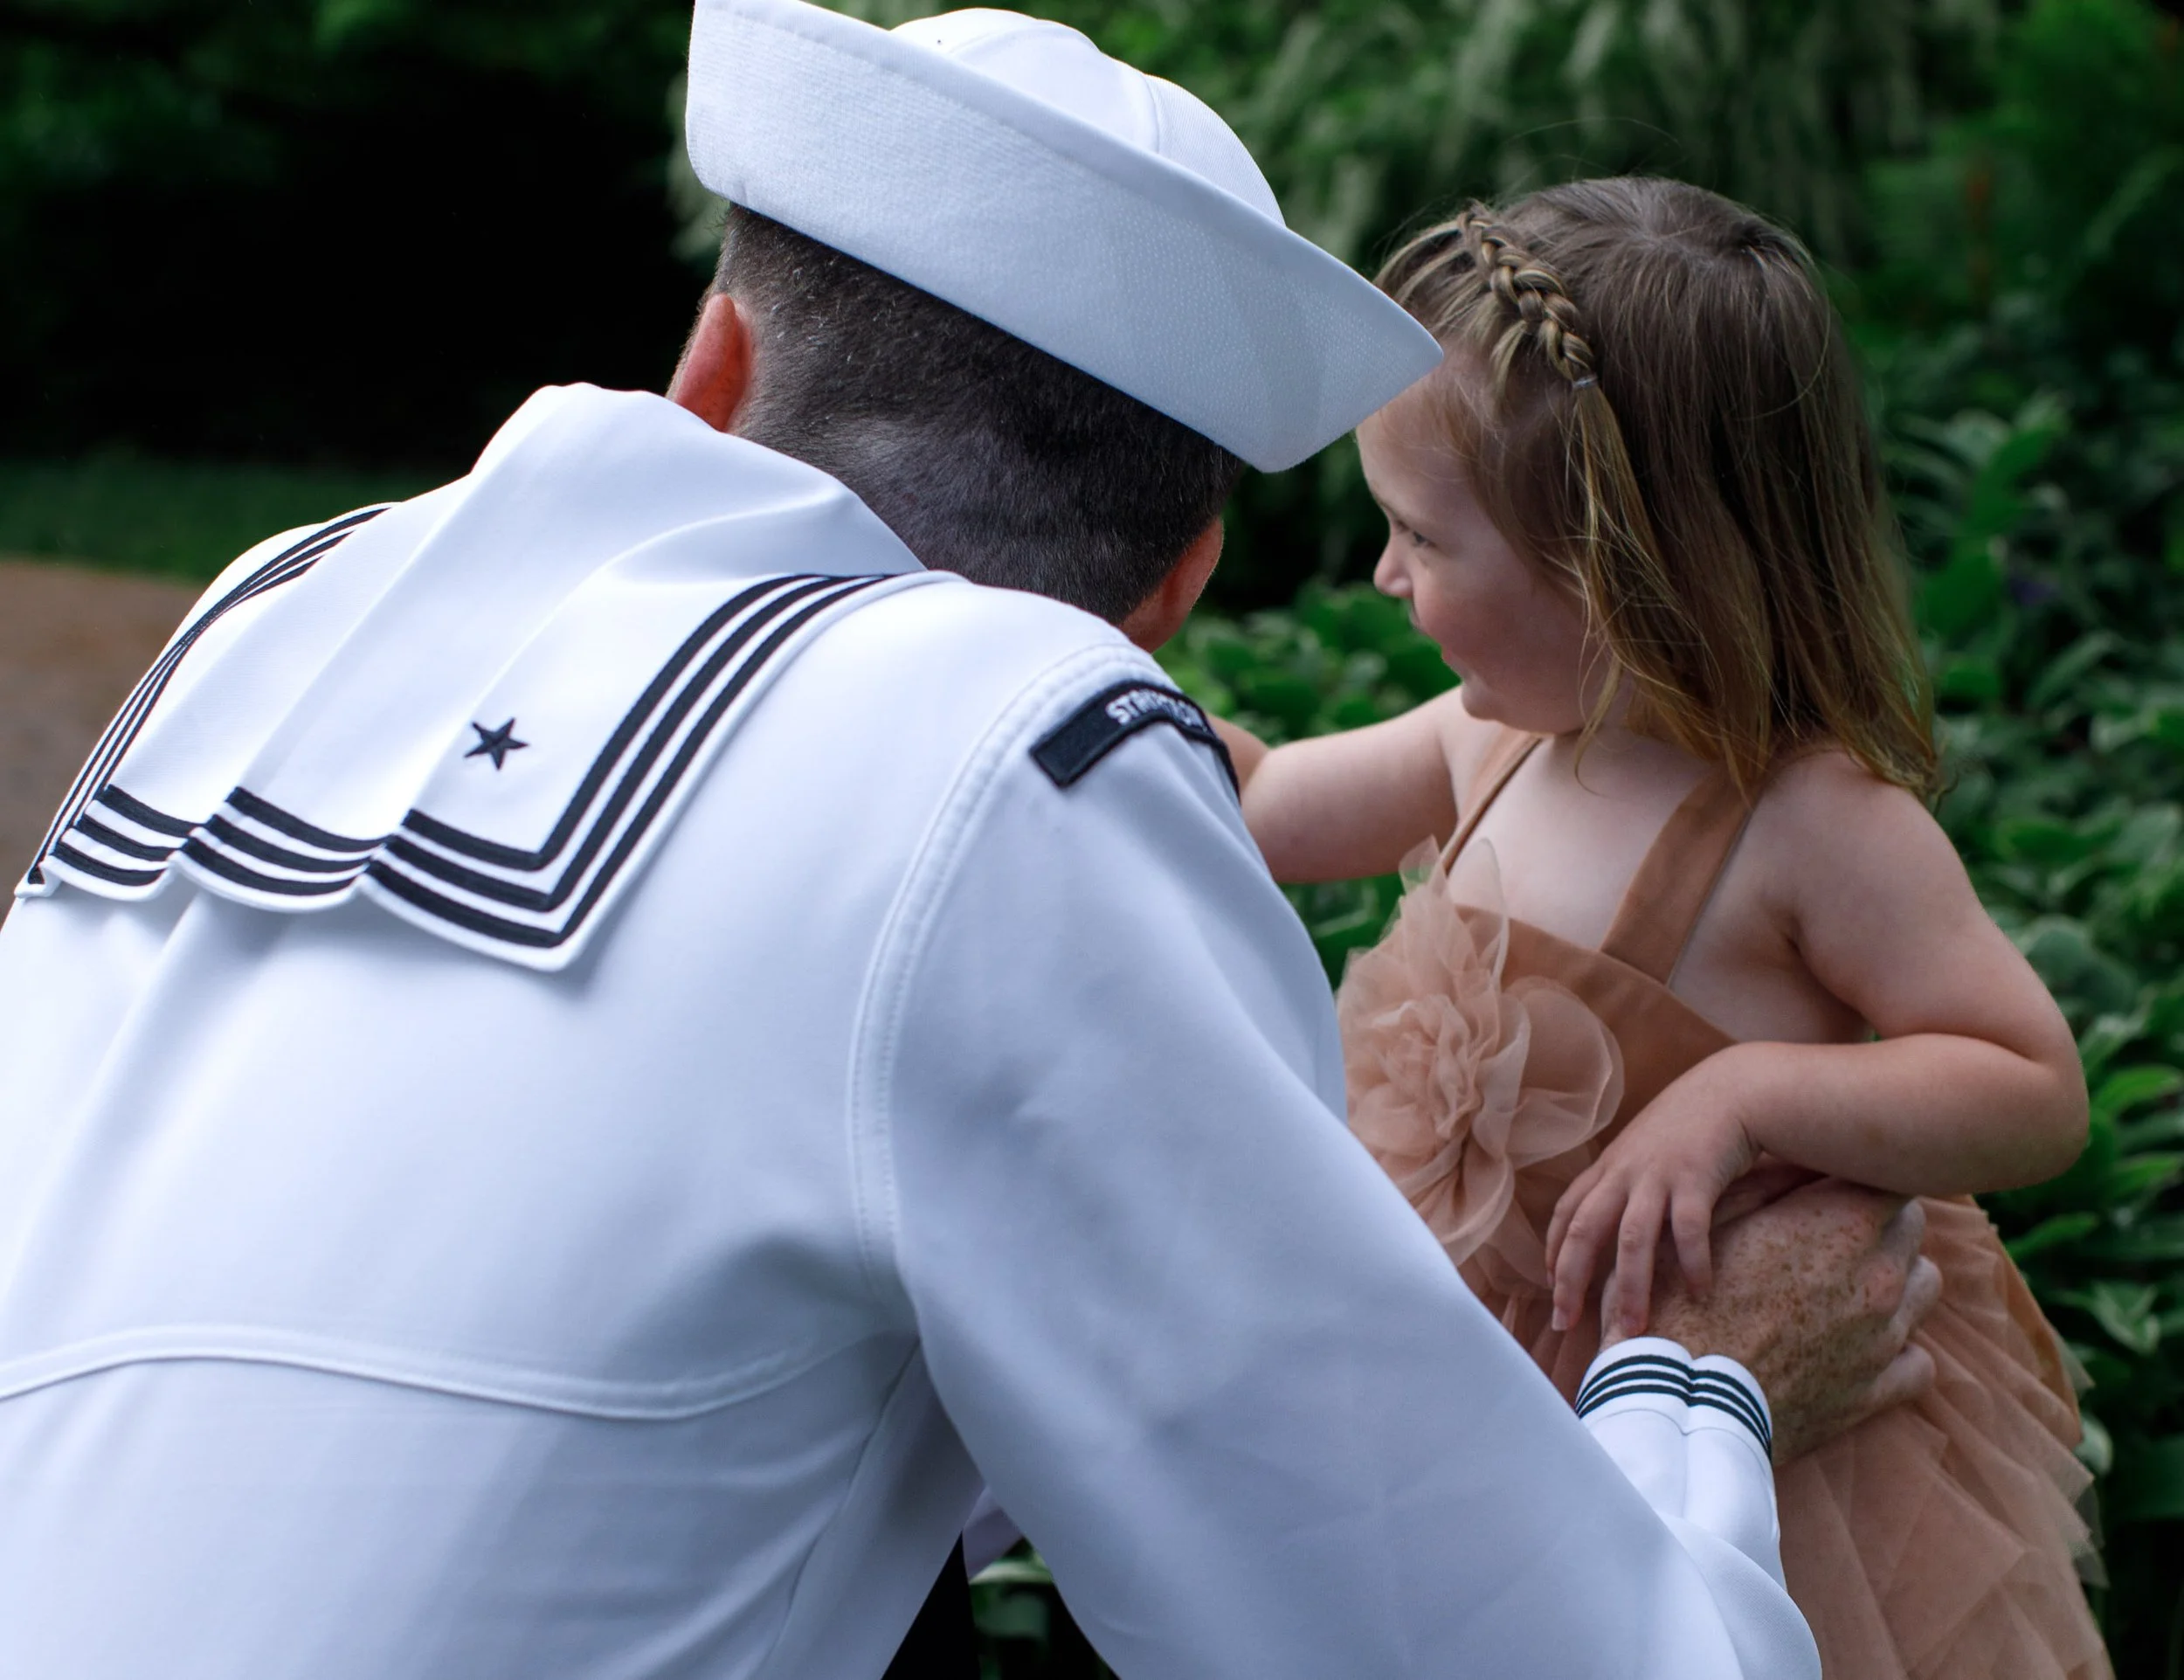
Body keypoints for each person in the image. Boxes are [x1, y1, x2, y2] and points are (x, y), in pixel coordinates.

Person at [0, 8, 1935, 1676]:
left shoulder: (270, 613)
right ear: (1170, 589)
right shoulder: (1002, 752)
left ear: (713, 370)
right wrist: (1698, 1388)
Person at [1222, 179, 2109, 1679]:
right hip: (1495, 1380)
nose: (1383, 578)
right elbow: (1249, 811)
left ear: (1618, 566)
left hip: (1759, 1440)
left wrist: (1742, 1091)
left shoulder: (1806, 823)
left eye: (1422, 539)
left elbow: (2032, 1086)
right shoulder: (1483, 734)